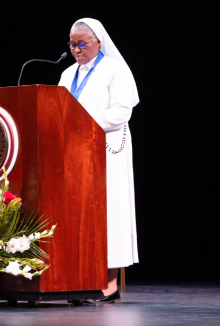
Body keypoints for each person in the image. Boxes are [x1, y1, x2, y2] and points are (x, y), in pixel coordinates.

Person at [58, 18, 139, 303]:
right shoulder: (68, 74)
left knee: (108, 214)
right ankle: (79, 280)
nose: (76, 50)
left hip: (107, 150)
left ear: (98, 42)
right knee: (78, 217)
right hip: (74, 154)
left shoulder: (115, 69)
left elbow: (121, 112)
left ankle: (109, 283)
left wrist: (83, 124)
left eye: (82, 44)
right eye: (72, 44)